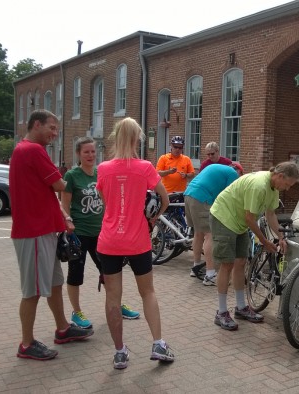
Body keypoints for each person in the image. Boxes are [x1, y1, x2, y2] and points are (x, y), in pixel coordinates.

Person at [10, 109, 94, 361]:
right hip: (33, 232)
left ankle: (63, 328)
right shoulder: (33, 150)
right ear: (36, 125)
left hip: (43, 230)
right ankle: (26, 343)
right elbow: (60, 185)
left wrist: (64, 217)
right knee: (33, 290)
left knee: (55, 283)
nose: (55, 134)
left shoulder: (24, 149)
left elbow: (47, 192)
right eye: (52, 128)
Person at [96, 117, 174, 369]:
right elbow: (164, 200)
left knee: (112, 298)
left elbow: (105, 201)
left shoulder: (103, 168)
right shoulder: (145, 168)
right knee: (147, 292)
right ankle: (158, 344)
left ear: (115, 137)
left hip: (109, 240)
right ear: (136, 138)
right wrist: (152, 220)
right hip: (138, 239)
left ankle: (119, 352)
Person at [60, 137, 140, 330]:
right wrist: (67, 224)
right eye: (86, 152)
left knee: (110, 272)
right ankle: (76, 312)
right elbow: (65, 204)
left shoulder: (101, 172)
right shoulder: (72, 176)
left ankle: (116, 305)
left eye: (93, 152)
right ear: (79, 154)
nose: (90, 155)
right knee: (75, 274)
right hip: (79, 233)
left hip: (102, 232)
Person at [209, 161, 299, 330]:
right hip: (224, 217)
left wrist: (280, 237)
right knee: (227, 264)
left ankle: (241, 307)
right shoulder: (259, 185)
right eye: (287, 184)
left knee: (241, 262)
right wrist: (265, 242)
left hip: (238, 223)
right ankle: (221, 312)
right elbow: (250, 219)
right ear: (280, 176)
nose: (287, 188)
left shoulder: (273, 189)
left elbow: (270, 214)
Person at [184, 162, 244, 284]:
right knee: (209, 235)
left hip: (189, 194)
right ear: (238, 171)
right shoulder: (232, 174)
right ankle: (210, 275)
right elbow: (230, 197)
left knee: (198, 233)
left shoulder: (216, 168)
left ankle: (196, 267)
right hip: (202, 198)